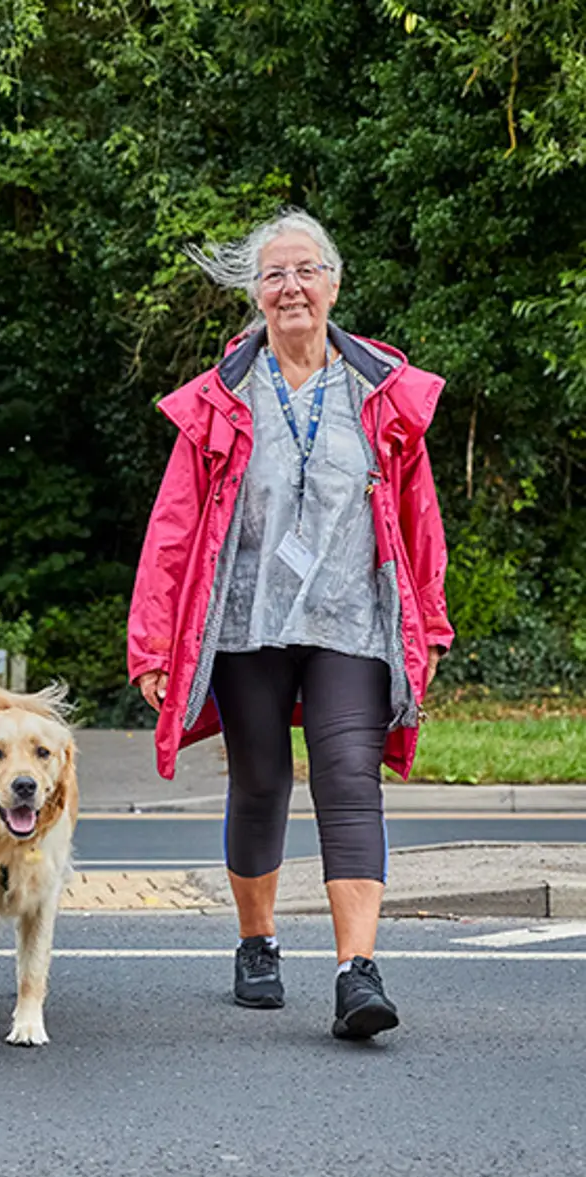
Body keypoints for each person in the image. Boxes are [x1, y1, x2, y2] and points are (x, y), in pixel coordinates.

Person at [127, 209, 453, 1039]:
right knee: (262, 780)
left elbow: (419, 517)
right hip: (248, 620)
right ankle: (257, 940)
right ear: (257, 296)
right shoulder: (222, 400)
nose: (291, 287)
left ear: (334, 283)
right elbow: (172, 527)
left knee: (350, 778)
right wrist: (154, 641)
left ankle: (357, 972)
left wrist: (433, 627)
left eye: (305, 270)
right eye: (274, 275)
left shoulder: (379, 393)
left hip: (354, 617)